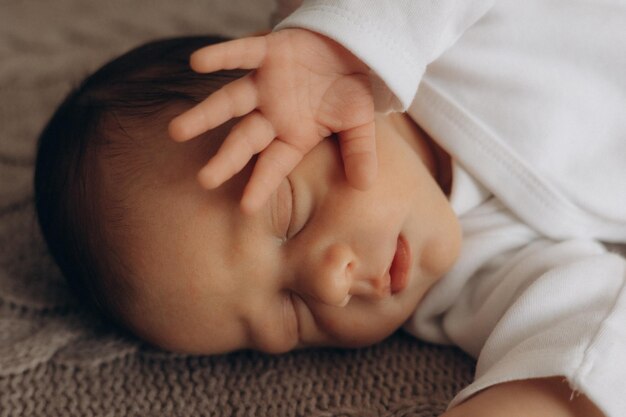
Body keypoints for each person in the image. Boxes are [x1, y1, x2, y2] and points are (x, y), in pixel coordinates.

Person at [33, 1, 626, 416]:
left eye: (290, 214)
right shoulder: (460, 283)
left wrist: (342, 37)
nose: (330, 285)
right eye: (290, 320)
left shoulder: (412, 43)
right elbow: (588, 327)